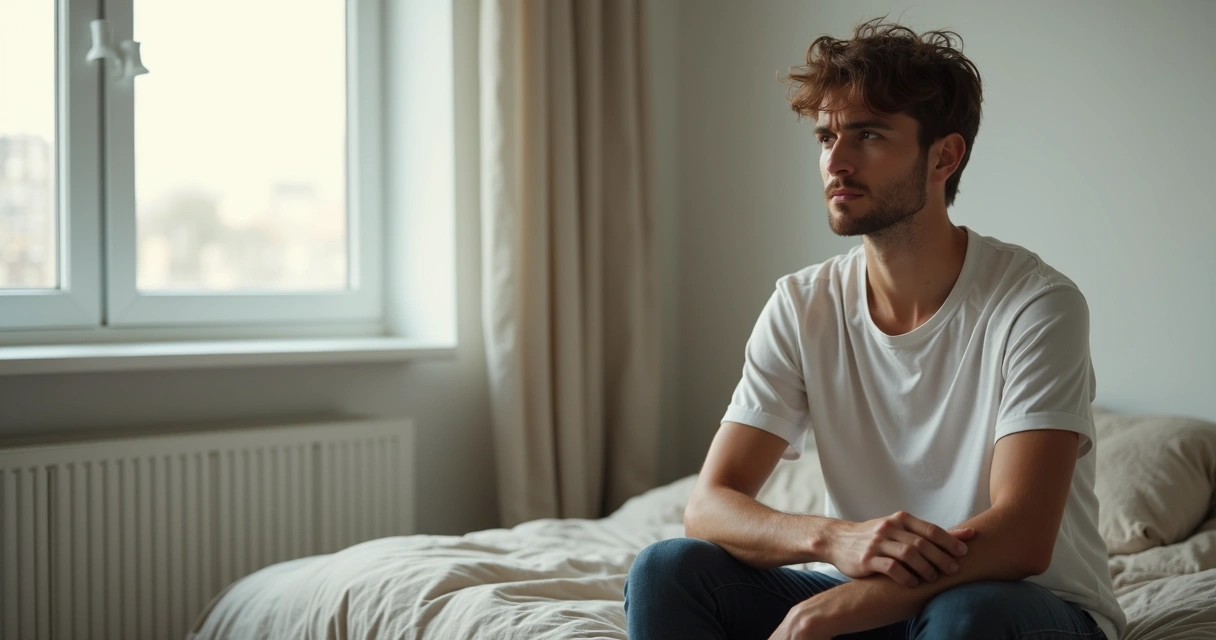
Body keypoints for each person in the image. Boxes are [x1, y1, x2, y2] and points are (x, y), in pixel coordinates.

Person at [624, 17, 1126, 640]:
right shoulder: (802, 304)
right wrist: (833, 539)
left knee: (967, 614)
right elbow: (710, 505)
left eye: (867, 134)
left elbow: (1023, 538)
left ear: (944, 155)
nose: (836, 160)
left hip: (1025, 605)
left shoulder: (1036, 304)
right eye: (825, 137)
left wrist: (843, 608)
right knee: (667, 569)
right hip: (870, 594)